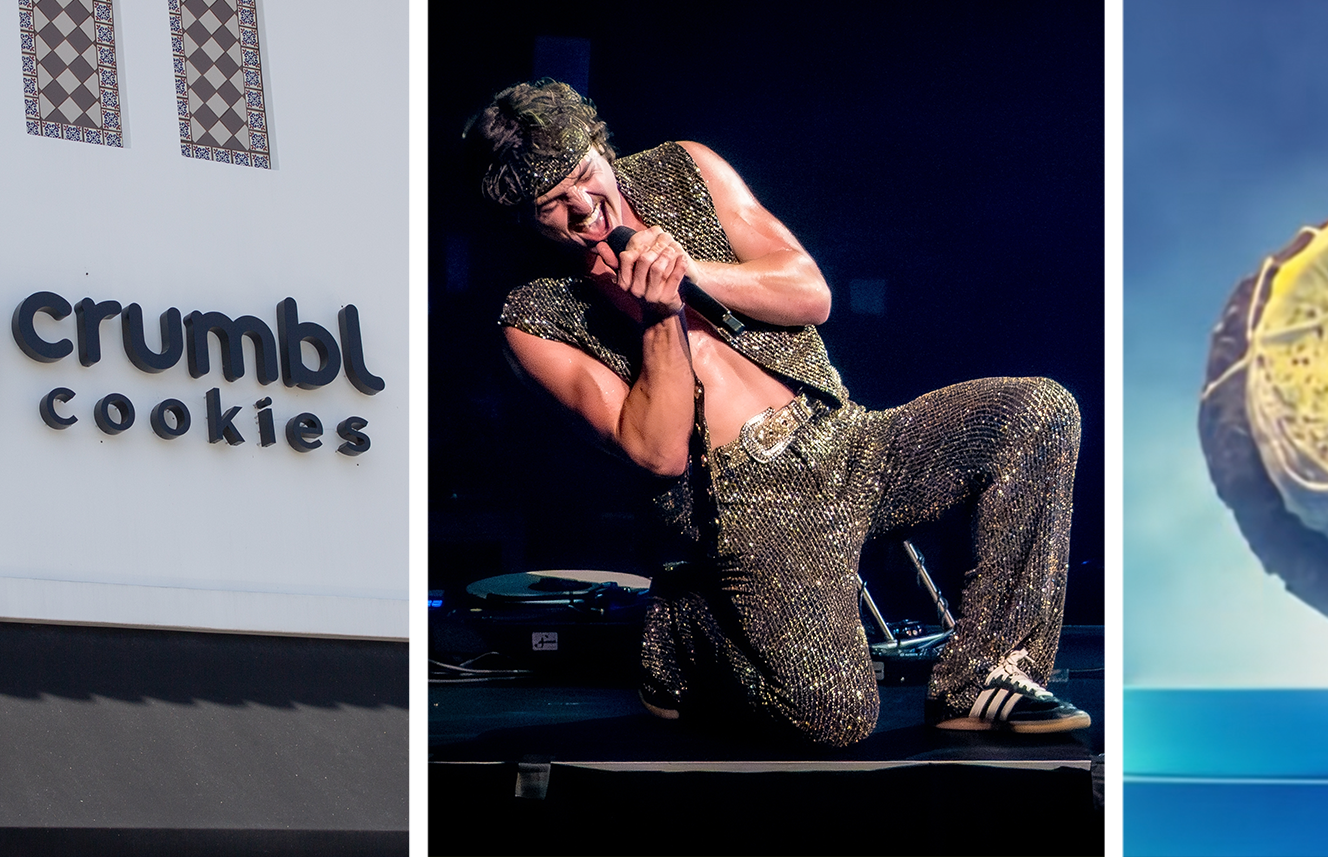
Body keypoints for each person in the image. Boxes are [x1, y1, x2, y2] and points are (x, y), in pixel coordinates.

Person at [463, 79, 1085, 747]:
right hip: (746, 505)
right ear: (524, 218)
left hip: (844, 438)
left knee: (1037, 411)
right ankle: (687, 633)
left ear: (601, 147)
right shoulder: (535, 315)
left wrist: (688, 271)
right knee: (836, 718)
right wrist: (660, 313)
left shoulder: (683, 168)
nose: (585, 208)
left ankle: (984, 679)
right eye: (553, 204)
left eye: (586, 177)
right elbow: (658, 452)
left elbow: (810, 291)